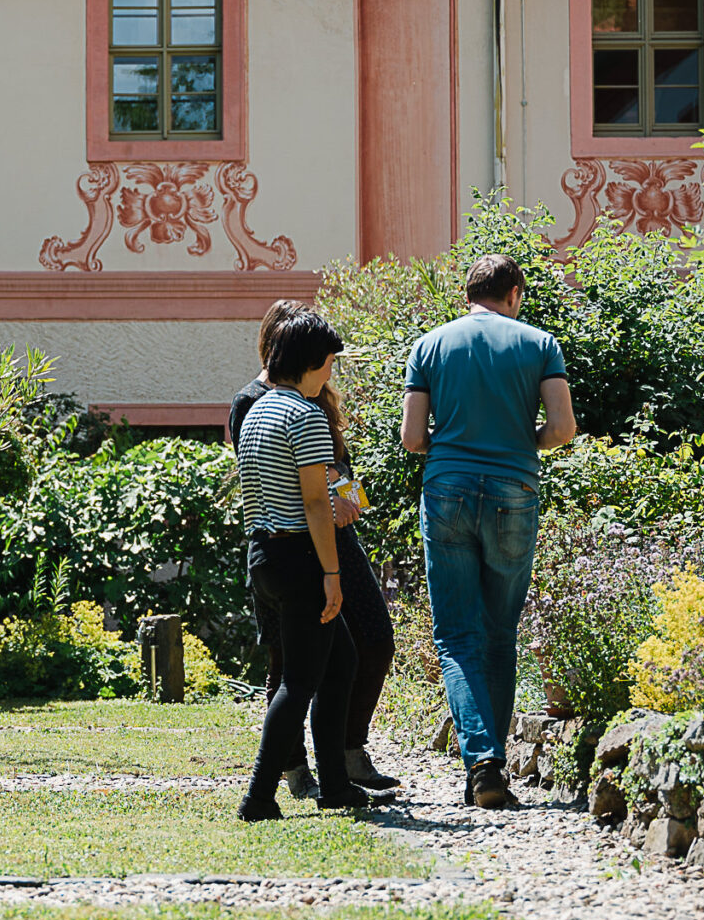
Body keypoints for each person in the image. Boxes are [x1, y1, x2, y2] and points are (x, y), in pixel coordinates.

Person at [401, 254, 578, 810]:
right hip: (514, 492)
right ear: (515, 294)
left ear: (467, 294)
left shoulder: (429, 346)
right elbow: (563, 428)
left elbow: (411, 437)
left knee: (456, 636)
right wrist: (525, 444)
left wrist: (451, 448)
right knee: (501, 631)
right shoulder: (541, 344)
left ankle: (482, 760)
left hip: (447, 491)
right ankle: (492, 765)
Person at [228, 308, 400, 798]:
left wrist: (347, 502)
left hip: (275, 550)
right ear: (307, 359)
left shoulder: (271, 408)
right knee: (297, 679)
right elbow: (312, 501)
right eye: (328, 361)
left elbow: (323, 480)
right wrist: (330, 571)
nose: (332, 372)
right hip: (301, 553)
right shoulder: (292, 411)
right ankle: (264, 792)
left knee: (344, 659)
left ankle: (337, 781)